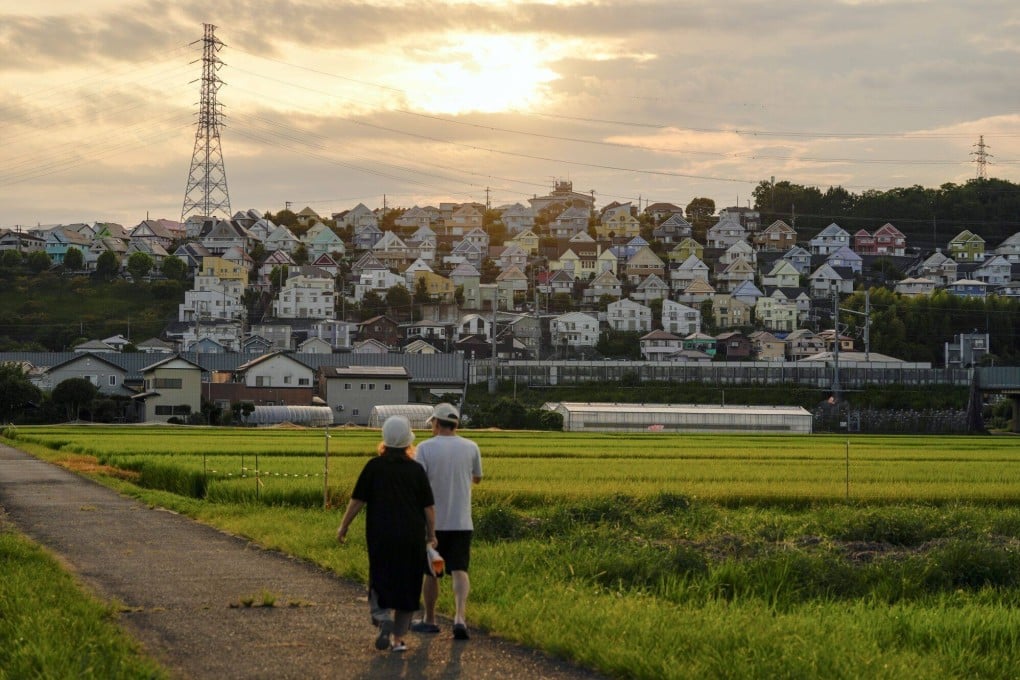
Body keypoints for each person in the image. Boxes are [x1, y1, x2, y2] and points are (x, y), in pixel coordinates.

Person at [337, 415, 436, 653]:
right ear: (407, 442)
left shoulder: (374, 466)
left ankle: (382, 617)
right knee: (408, 583)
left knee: (380, 576)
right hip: (411, 534)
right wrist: (431, 534)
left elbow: (357, 500)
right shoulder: (416, 470)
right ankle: (398, 640)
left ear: (385, 440)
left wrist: (344, 525)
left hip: (381, 534)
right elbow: (428, 508)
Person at [411, 403, 482, 641]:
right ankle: (460, 617)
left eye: (432, 422)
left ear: (437, 423)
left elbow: (417, 482)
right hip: (462, 521)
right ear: (456, 424)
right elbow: (477, 478)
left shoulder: (425, 448)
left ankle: (429, 620)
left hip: (433, 522)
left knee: (432, 572)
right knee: (460, 569)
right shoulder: (471, 447)